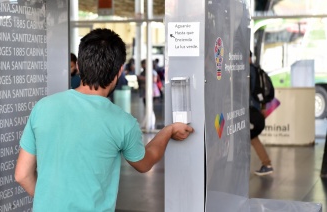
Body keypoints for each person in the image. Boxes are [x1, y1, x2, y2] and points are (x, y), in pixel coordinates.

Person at [15, 28, 194, 211]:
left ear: (79, 65)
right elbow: (145, 162)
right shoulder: (123, 122)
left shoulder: (43, 107)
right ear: (119, 71)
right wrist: (168, 130)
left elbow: (22, 175)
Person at [249, 50, 273, 176]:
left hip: (249, 109)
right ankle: (266, 163)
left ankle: (267, 163)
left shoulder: (247, 71)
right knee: (251, 137)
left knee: (250, 137)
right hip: (256, 108)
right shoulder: (257, 70)